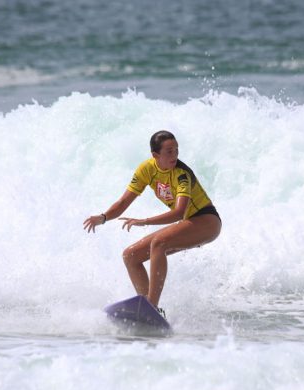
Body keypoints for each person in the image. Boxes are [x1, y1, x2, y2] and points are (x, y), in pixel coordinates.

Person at [83, 130, 221, 315]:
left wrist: (144, 221)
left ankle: (152, 308)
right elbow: (124, 202)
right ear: (155, 155)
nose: (175, 155)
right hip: (189, 222)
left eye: (176, 150)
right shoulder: (146, 169)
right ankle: (148, 309)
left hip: (207, 221)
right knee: (131, 255)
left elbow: (179, 213)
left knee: (159, 243)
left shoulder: (181, 174)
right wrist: (104, 217)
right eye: (169, 151)